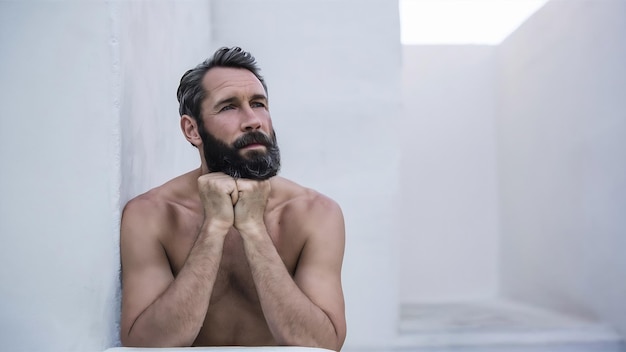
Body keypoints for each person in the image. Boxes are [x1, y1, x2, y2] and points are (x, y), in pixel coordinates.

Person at [119, 47, 346, 351]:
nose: (253, 120)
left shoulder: (315, 213)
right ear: (192, 129)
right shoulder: (152, 215)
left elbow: (323, 344)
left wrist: (254, 229)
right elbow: (148, 344)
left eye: (258, 104)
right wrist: (214, 227)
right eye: (228, 107)